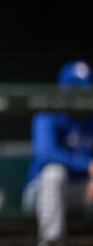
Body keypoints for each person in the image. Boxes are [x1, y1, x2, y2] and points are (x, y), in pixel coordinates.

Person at [23, 60, 93, 246]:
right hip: (42, 193)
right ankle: (51, 242)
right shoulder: (49, 112)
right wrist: (87, 165)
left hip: (82, 191)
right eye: (75, 89)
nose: (80, 95)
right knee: (54, 173)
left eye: (84, 90)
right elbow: (46, 155)